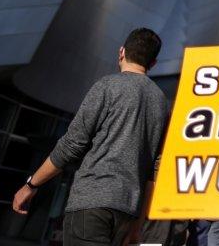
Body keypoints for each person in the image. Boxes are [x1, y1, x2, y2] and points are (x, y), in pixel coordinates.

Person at [12, 27, 170, 246]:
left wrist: (31, 185)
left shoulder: (107, 86)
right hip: (128, 211)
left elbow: (72, 145)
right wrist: (138, 225)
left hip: (91, 203)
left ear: (121, 52)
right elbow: (154, 170)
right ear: (152, 64)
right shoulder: (161, 102)